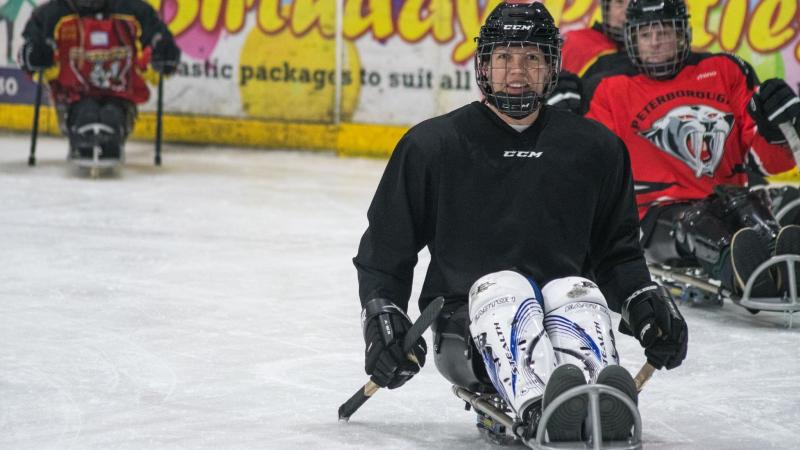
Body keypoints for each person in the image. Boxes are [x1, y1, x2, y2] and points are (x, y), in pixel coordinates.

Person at [353, 1, 687, 444]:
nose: (517, 70)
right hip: (466, 327)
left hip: (561, 315)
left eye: (532, 58)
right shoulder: (431, 146)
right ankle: (540, 406)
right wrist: (385, 319)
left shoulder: (596, 149)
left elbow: (617, 254)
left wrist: (644, 301)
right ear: (483, 65)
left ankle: (597, 403)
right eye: (504, 57)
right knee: (505, 286)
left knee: (577, 289)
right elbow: (385, 253)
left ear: (551, 68)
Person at [584, 0, 800, 299]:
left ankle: (784, 261)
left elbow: (769, 163)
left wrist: (774, 132)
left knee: (753, 215)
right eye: (646, 35)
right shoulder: (610, 88)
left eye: (665, 32)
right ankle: (745, 276)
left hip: (730, 196)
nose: (656, 42)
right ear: (632, 39)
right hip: (657, 214)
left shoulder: (726, 70)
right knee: (701, 227)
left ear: (682, 32)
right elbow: (594, 168)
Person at [18, 0, 180, 161]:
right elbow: (27, 53)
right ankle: (80, 129)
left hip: (121, 97)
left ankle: (115, 130)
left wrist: (164, 52)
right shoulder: (51, 15)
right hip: (72, 98)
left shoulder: (136, 12)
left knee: (112, 116)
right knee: (85, 114)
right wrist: (34, 54)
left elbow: (157, 40)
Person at [546, 0, 631, 114]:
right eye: (619, 2)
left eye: (634, 2)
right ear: (606, 8)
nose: (627, 11)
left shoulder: (654, 51)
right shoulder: (579, 42)